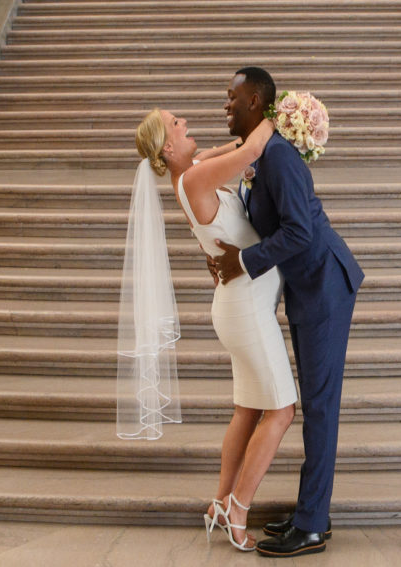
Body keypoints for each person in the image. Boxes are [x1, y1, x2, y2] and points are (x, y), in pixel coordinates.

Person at [213, 67, 364, 558]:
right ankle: (307, 514)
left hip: (324, 286)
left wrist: (244, 261)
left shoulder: (277, 158)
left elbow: (299, 232)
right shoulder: (263, 155)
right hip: (308, 290)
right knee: (314, 405)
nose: (226, 106)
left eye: (232, 98)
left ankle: (313, 525)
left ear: (255, 100)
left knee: (319, 407)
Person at [134, 108, 297, 552]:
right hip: (244, 310)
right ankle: (238, 508)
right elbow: (253, 148)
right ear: (167, 147)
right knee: (282, 411)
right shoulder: (192, 181)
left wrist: (234, 144)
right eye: (175, 123)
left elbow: (230, 150)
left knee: (248, 409)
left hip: (239, 305)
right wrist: (286, 110)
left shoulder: (194, 172)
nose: (184, 122)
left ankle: (220, 500)